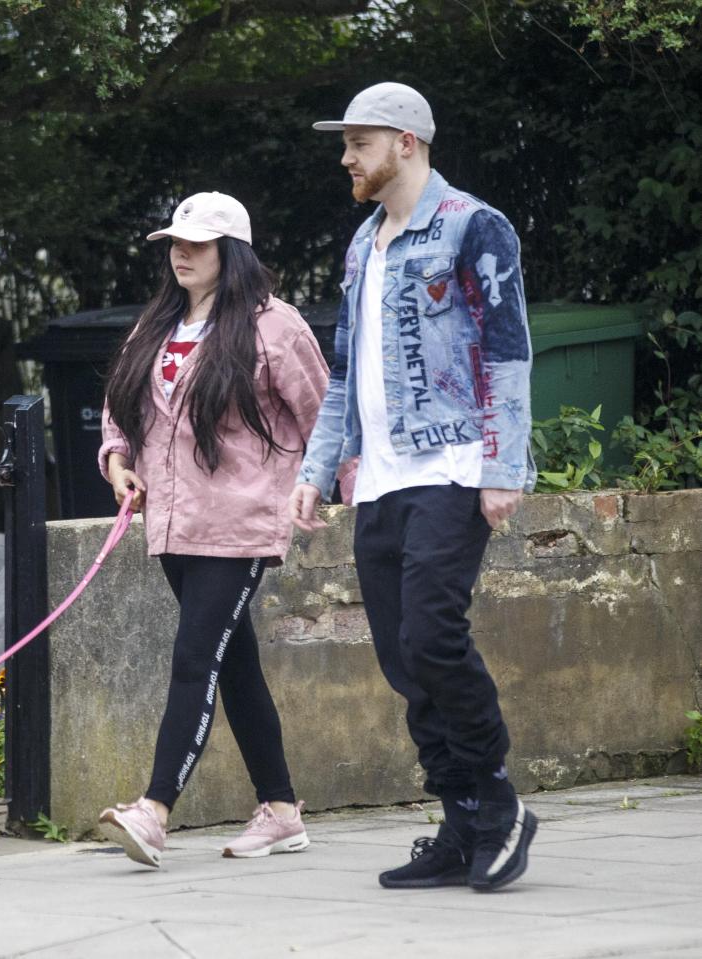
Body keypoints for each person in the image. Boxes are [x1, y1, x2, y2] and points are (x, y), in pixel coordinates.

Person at [289, 83, 538, 893]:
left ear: (405, 142)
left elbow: (508, 352)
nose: (346, 158)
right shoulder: (366, 243)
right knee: (403, 656)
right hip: (381, 477)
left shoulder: (472, 225)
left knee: (434, 635)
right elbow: (342, 373)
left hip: (454, 464)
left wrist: (502, 467)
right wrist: (315, 468)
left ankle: (499, 804)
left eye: (358, 142)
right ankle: (461, 818)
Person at [97, 191, 332, 868]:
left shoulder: (274, 326)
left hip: (242, 522)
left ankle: (154, 810)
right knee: (235, 664)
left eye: (197, 243)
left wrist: (330, 488)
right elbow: (119, 405)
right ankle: (282, 809)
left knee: (194, 657)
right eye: (175, 241)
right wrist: (117, 462)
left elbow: (323, 409)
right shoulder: (157, 324)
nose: (181, 253)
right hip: (172, 524)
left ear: (232, 252)